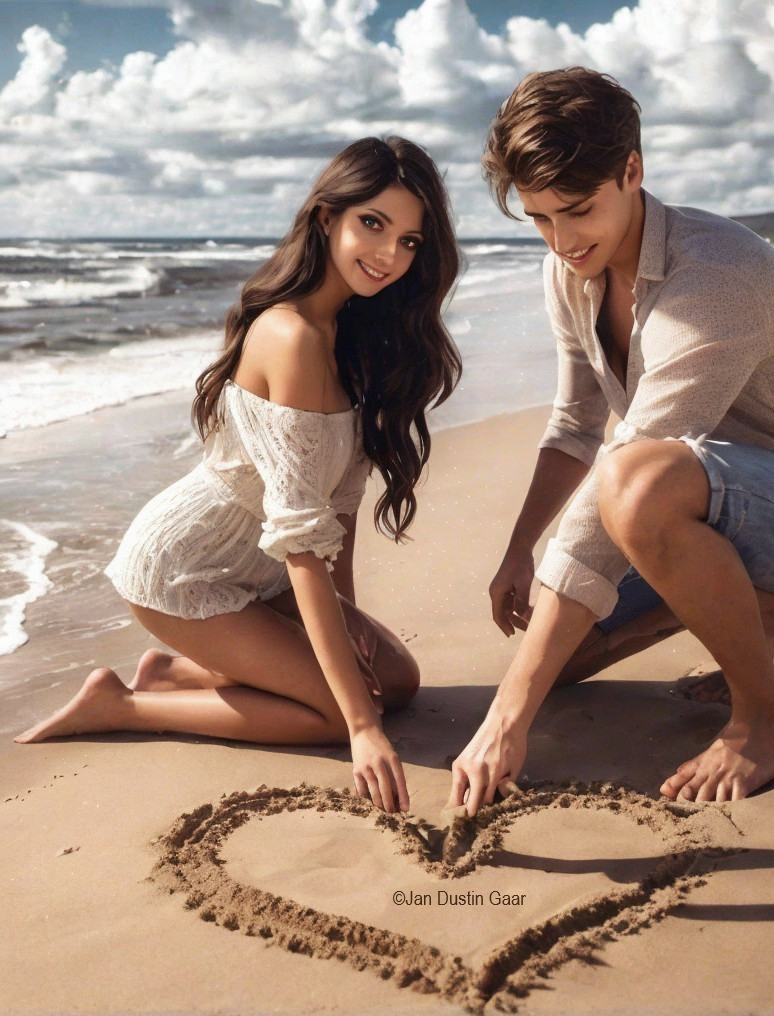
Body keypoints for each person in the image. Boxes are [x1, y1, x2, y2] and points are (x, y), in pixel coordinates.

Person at [447, 68, 774, 810]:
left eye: (577, 211)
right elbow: (577, 422)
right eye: (539, 219)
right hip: (689, 506)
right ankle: (751, 609)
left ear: (633, 170)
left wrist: (504, 716)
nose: (560, 241)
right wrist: (520, 547)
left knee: (631, 489)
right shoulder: (570, 271)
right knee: (565, 654)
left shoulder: (717, 275)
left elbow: (629, 460)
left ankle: (764, 719)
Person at [16, 137, 462, 814]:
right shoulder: (291, 338)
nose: (389, 255)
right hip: (187, 571)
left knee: (395, 681)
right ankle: (125, 705)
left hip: (264, 570)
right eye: (372, 223)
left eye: (408, 240)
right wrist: (362, 729)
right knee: (339, 717)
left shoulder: (351, 335)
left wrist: (344, 617)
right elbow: (302, 535)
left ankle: (175, 674)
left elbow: (336, 508)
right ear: (325, 218)